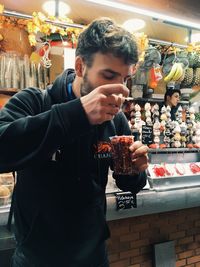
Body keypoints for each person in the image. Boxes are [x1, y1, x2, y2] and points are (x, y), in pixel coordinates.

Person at [0, 18, 149, 267]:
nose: (120, 89)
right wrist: (77, 114)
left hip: (94, 258)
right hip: (36, 259)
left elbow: (128, 183)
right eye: (109, 75)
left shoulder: (116, 119)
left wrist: (135, 170)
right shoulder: (35, 102)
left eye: (125, 79)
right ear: (80, 67)